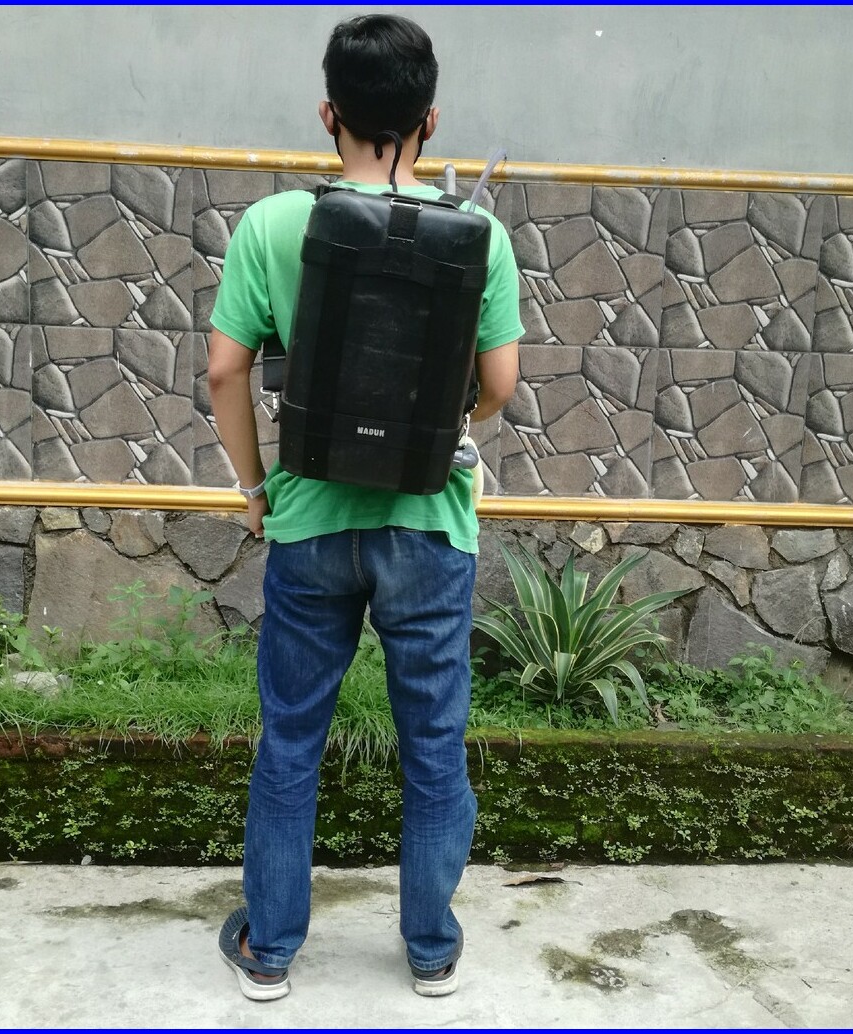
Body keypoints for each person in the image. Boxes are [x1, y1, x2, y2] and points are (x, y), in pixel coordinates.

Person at [208, 12, 523, 1001]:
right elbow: (500, 386)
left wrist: (255, 490)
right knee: (432, 744)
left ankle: (269, 950)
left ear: (327, 114)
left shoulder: (271, 225)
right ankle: (429, 949)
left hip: (308, 520)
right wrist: (442, 425)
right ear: (430, 121)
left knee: (290, 740)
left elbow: (223, 370)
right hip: (428, 523)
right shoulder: (480, 235)